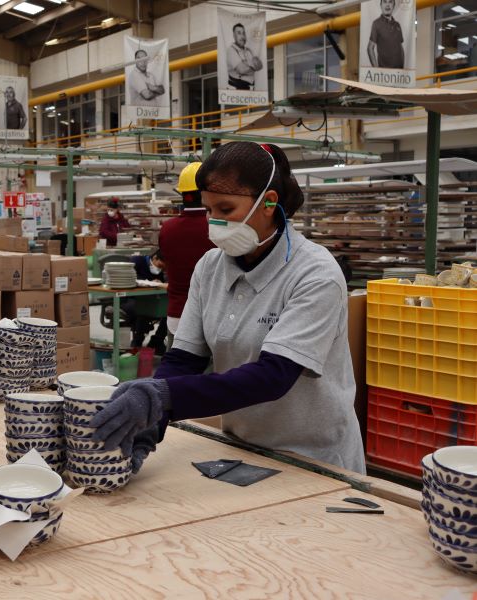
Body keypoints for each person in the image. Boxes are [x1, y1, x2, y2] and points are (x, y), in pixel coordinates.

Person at [89, 142, 365, 477]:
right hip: (242, 449)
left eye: (226, 209)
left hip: (312, 457)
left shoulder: (315, 274)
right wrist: (152, 420)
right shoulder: (210, 267)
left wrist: (164, 397)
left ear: (268, 203)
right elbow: (184, 359)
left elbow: (273, 377)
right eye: (208, 210)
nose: (214, 222)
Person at [159, 162, 215, 336]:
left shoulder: (167, 228)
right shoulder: (216, 227)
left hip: (176, 316)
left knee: (176, 362)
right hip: (210, 316)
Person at [125, 250, 168, 354]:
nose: (160, 269)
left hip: (148, 300)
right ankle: (137, 341)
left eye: (163, 268)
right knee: (143, 310)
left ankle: (157, 340)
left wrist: (160, 283)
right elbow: (129, 278)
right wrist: (148, 282)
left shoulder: (159, 272)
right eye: (160, 265)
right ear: (155, 258)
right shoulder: (137, 261)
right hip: (129, 299)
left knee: (168, 312)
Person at [367, 0, 404, 69]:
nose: (387, 5)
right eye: (385, 1)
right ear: (381, 5)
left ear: (393, 6)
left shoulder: (397, 25)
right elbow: (370, 48)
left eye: (390, 2)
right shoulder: (376, 24)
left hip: (399, 73)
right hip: (385, 73)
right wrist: (376, 70)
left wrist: (403, 68)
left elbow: (400, 48)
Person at [227, 23, 263, 90]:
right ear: (234, 36)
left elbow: (260, 65)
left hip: (250, 88)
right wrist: (253, 65)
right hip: (236, 89)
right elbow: (241, 70)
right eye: (239, 33)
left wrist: (247, 64)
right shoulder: (231, 50)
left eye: (243, 33)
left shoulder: (249, 50)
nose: (242, 36)